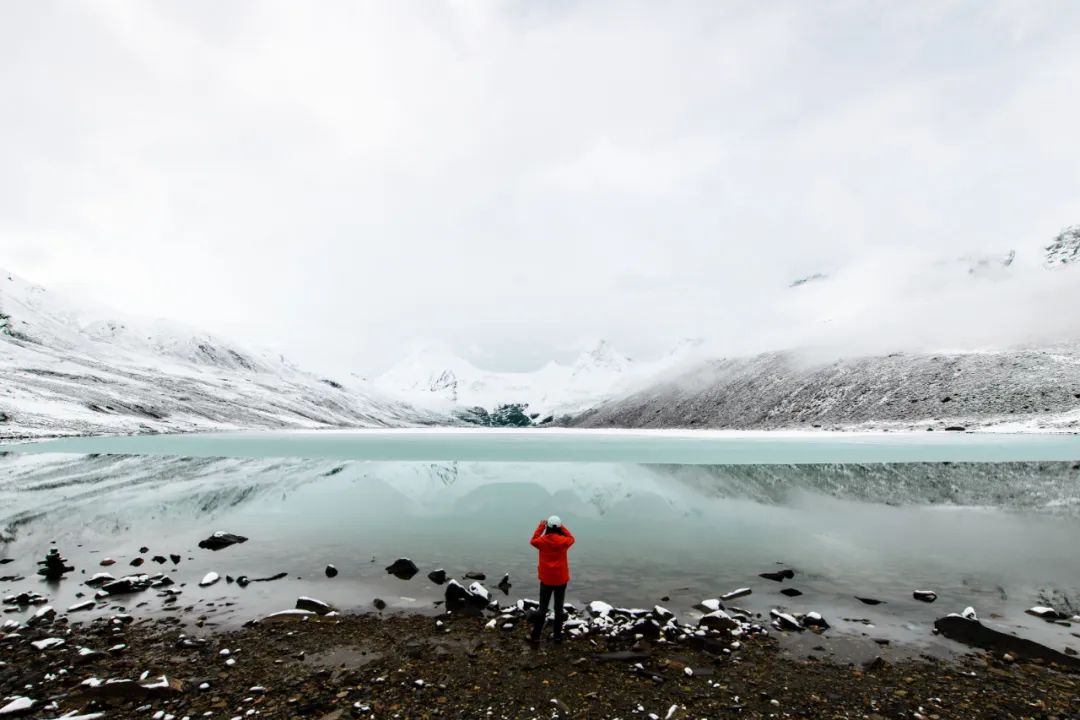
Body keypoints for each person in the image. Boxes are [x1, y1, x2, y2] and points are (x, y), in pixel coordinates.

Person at [529, 515, 575, 644]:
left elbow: (533, 540)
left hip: (546, 580)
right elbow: (572, 538)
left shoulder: (542, 541)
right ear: (559, 528)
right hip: (561, 580)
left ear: (547, 527)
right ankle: (557, 637)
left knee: (542, 608)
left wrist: (541, 526)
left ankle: (536, 636)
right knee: (559, 608)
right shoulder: (564, 542)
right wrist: (562, 526)